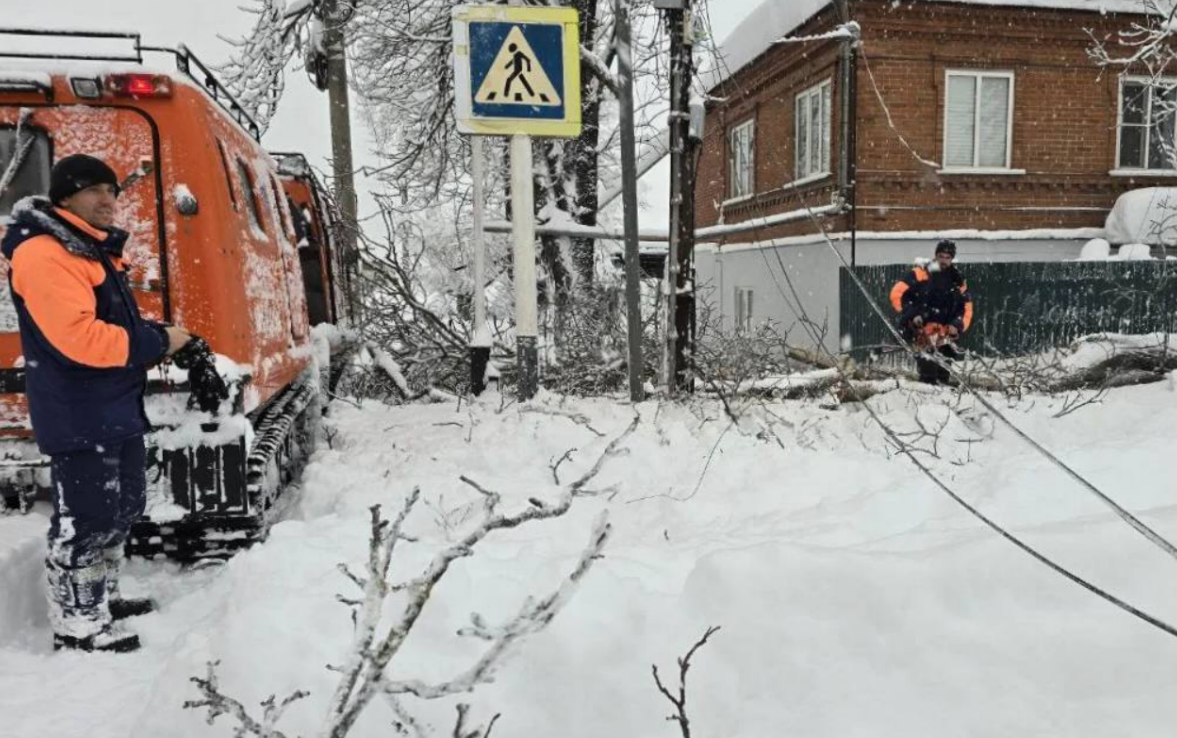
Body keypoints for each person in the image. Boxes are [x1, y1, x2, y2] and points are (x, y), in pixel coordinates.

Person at [1, 154, 191, 653]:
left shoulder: (88, 249)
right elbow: (79, 339)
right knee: (86, 520)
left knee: (121, 508)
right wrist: (159, 342)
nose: (107, 200)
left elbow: (113, 325)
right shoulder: (45, 253)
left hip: (112, 404)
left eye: (111, 190)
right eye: (93, 190)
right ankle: (79, 625)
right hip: (78, 410)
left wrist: (159, 335)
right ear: (65, 197)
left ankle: (102, 598)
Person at [889, 239, 974, 385]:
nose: (944, 260)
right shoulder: (919, 273)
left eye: (948, 257)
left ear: (952, 259)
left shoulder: (958, 280)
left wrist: (957, 324)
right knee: (928, 376)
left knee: (943, 376)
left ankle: (940, 398)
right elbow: (897, 294)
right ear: (936, 255)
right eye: (941, 256)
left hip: (945, 336)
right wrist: (912, 314)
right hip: (922, 334)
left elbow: (966, 308)